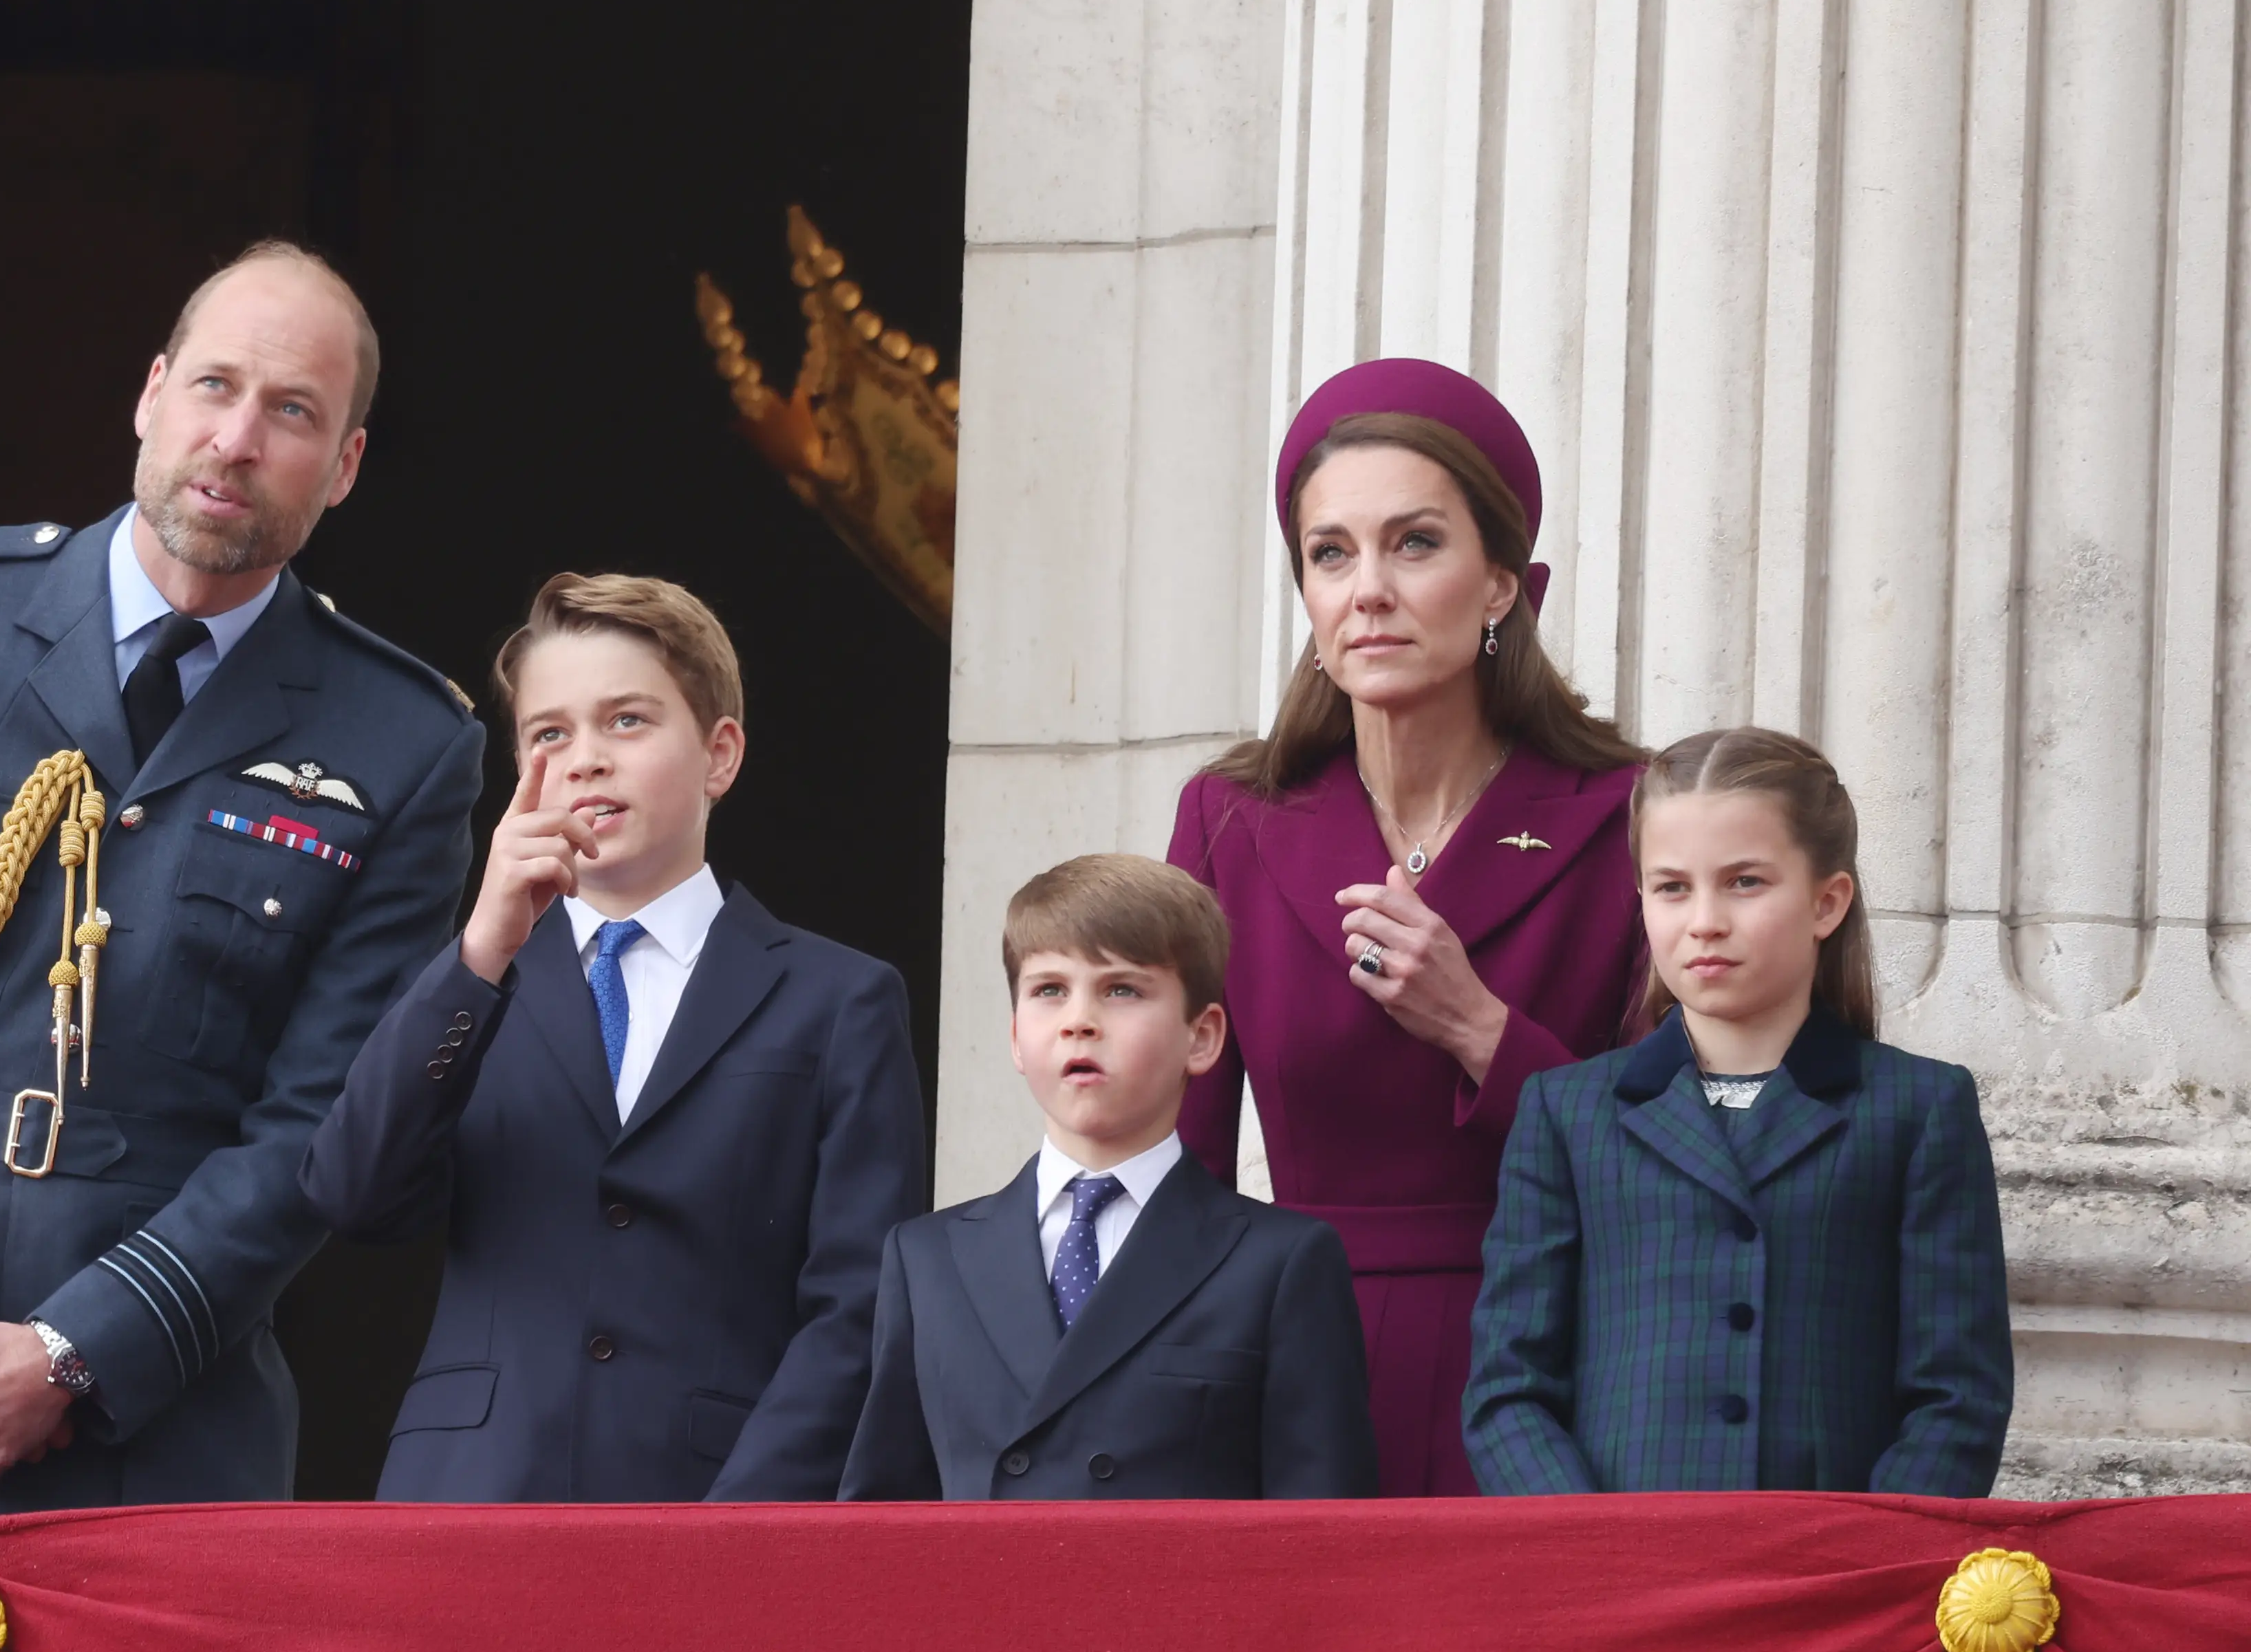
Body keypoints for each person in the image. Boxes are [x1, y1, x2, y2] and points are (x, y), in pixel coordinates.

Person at [0, 241, 486, 1510]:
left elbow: (322, 1121)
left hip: (155, 1439)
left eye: (293, 412)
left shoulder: (404, 742)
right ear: (151, 394)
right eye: (215, 387)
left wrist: (68, 1357)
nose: (236, 439)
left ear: (343, 467)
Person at [299, 573, 926, 1501]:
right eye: (550, 733)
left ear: (720, 755)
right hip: (469, 1497)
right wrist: (481, 953)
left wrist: (740, 1526)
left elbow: (856, 1307)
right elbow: (355, 1194)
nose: (585, 759)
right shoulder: (470, 985)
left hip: (710, 1503)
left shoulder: (839, 999)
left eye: (626, 722)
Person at [1167, 358, 1649, 1497]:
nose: (1366, 590)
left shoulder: (1633, 819)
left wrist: (1483, 1029)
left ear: (1501, 586)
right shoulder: (1229, 820)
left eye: (1415, 544)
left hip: (1557, 1380)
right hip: (1293, 1381)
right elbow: (1175, 1153)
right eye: (1331, 553)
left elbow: (1671, 1174)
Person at [1464, 728, 2012, 1495]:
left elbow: (1958, 1394)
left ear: (1827, 901)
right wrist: (1589, 1547)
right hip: (1619, 1571)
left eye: (1745, 881)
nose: (1705, 920)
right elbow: (1509, 1388)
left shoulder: (1919, 1109)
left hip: (1834, 1575)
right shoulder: (1567, 1111)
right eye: (1672, 886)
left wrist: (1867, 1558)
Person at [839, 854, 1377, 1501]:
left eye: (1121, 989)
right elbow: (880, 1522)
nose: (1079, 1020)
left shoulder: (1280, 1262)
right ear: (1015, 1037)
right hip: (982, 1602)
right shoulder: (926, 1258)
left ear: (1202, 1037)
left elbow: (1319, 1536)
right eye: (1048, 990)